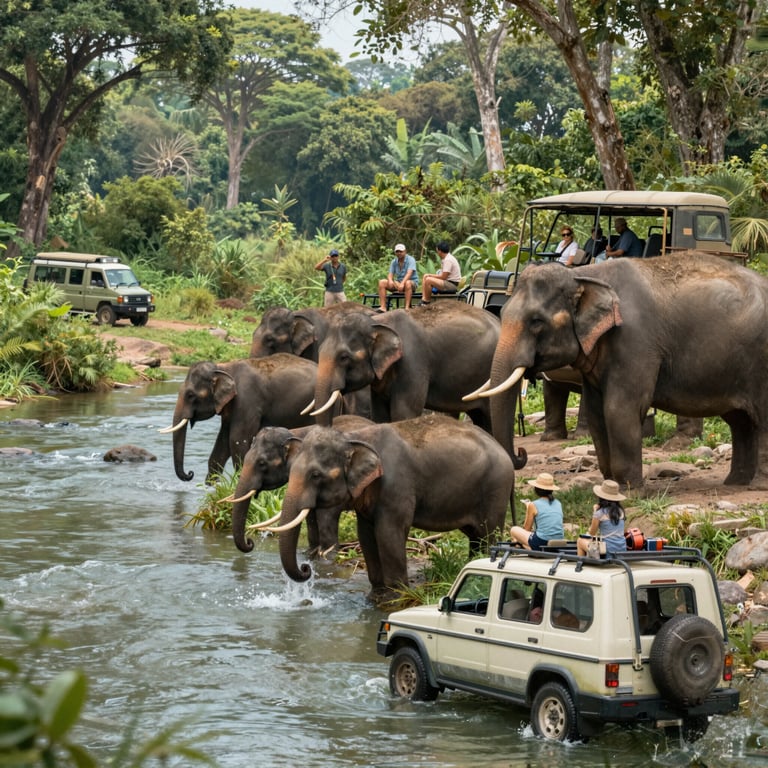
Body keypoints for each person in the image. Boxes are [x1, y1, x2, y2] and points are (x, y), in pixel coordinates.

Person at [509, 472, 564, 551]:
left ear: (536, 489)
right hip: (559, 541)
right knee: (531, 538)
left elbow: (526, 529)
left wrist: (528, 508)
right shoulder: (558, 503)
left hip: (542, 541)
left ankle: (520, 545)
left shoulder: (533, 505)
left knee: (514, 530)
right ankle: (525, 546)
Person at [577, 479, 628, 556]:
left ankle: (580, 564)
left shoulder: (599, 513)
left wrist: (595, 511)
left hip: (606, 551)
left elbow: (592, 533)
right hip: (622, 549)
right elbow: (623, 531)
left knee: (580, 541)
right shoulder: (621, 512)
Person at [377, 243, 419, 311]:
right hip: (398, 282)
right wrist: (390, 280)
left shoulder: (411, 259)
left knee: (407, 283)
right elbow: (390, 274)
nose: (399, 253)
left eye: (401, 251)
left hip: (411, 283)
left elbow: (409, 273)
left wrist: (402, 283)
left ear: (405, 251)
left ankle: (407, 307)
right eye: (397, 251)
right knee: (382, 282)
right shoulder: (394, 262)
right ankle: (383, 307)